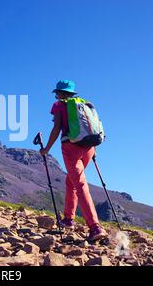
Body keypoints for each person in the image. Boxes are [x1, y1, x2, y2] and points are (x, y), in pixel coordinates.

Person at [39, 80, 108, 242]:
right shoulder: (83, 104)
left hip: (71, 147)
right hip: (89, 147)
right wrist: (93, 150)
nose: (56, 95)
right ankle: (68, 219)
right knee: (71, 182)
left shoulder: (59, 105)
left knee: (80, 184)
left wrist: (47, 149)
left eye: (57, 93)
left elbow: (56, 128)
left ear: (61, 93)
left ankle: (95, 227)